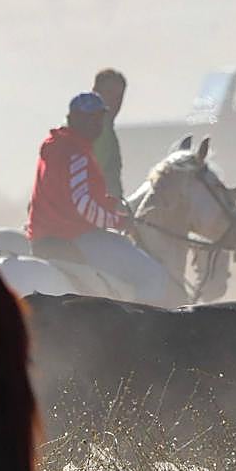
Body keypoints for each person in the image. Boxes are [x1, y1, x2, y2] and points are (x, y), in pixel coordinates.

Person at [26, 91, 169, 305]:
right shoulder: (76, 153)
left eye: (98, 118)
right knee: (154, 276)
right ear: (74, 119)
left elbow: (68, 194)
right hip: (74, 236)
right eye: (90, 119)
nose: (97, 125)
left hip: (43, 236)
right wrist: (120, 222)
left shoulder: (55, 144)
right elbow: (83, 205)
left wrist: (110, 204)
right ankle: (143, 331)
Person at [91, 68, 127, 199]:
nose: (114, 101)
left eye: (119, 96)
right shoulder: (96, 129)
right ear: (95, 92)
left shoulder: (107, 128)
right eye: (109, 93)